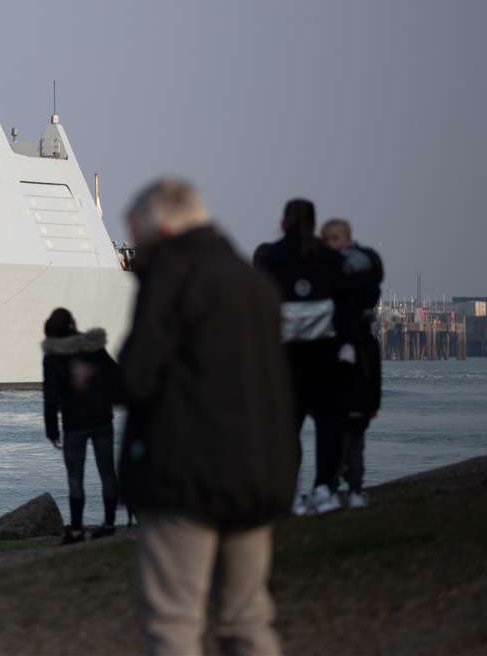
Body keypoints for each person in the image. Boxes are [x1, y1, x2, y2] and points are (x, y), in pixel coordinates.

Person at [120, 177, 296, 656]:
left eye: (135, 233)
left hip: (185, 478)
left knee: (174, 620)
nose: (133, 246)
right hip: (256, 476)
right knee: (248, 619)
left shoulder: (170, 277)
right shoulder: (253, 281)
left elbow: (137, 376)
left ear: (162, 227)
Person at [253, 198, 349, 515]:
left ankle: (288, 492)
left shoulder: (270, 257)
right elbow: (347, 306)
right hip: (323, 356)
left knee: (285, 431)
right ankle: (323, 488)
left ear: (284, 222)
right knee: (328, 426)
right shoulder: (330, 258)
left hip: (285, 359)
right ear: (313, 222)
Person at [42, 308, 123, 542]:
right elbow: (115, 375)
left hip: (74, 422)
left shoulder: (53, 357)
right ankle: (109, 524)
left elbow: (50, 396)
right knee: (108, 472)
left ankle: (76, 529)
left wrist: (51, 429)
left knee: (75, 477)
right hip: (101, 418)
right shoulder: (94, 348)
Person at [322, 218, 384, 508]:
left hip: (349, 388)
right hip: (354, 387)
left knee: (344, 443)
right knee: (348, 442)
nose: (333, 244)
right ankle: (348, 490)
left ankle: (346, 489)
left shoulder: (336, 275)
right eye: (328, 239)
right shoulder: (367, 268)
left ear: (348, 238)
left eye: (336, 238)